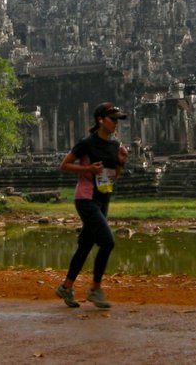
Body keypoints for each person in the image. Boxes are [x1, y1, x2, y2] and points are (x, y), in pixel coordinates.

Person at [55, 102, 128, 309]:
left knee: (86, 244)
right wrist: (88, 168)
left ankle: (66, 287)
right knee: (108, 241)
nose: (116, 124)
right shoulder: (87, 143)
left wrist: (121, 162)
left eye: (117, 120)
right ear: (100, 120)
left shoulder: (115, 146)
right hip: (86, 198)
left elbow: (114, 176)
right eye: (113, 119)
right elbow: (64, 165)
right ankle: (95, 289)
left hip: (104, 197)